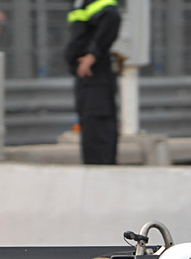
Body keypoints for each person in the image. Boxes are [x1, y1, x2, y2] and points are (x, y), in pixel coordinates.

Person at [65, 0, 122, 165]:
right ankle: (94, 170)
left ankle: (102, 174)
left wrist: (92, 55)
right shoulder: (80, 3)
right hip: (86, 78)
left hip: (97, 77)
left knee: (99, 129)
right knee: (90, 130)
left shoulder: (97, 3)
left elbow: (112, 17)